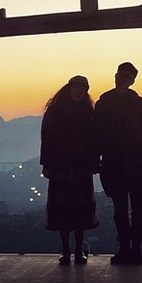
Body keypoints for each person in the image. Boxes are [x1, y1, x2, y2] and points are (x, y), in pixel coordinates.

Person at [93, 61, 142, 265]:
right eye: (122, 74)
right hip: (113, 162)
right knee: (119, 208)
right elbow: (96, 133)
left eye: (128, 76)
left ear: (132, 80)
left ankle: (136, 247)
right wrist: (96, 158)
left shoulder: (138, 102)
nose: (123, 78)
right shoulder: (104, 102)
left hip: (136, 161)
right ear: (116, 75)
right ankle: (124, 247)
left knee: (137, 208)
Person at [39, 75, 99, 265]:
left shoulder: (89, 112)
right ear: (70, 87)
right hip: (60, 166)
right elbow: (46, 138)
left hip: (81, 165)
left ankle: (78, 249)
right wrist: (46, 164)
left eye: (83, 87)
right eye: (77, 86)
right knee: (62, 209)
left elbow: (94, 140)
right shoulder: (55, 111)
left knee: (80, 209)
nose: (79, 91)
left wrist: (95, 161)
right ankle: (66, 250)